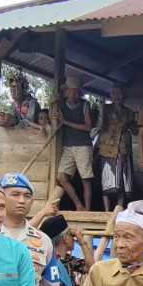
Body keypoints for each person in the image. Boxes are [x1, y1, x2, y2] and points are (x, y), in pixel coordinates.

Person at [53, 76, 94, 211]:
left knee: (85, 179)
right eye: (70, 91)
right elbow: (54, 119)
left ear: (80, 93)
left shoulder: (84, 105)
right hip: (68, 145)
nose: (73, 94)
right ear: (66, 91)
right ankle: (79, 205)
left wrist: (66, 122)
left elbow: (88, 127)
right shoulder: (61, 104)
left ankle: (87, 210)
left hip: (83, 145)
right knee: (61, 177)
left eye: (76, 91)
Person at [96, 84, 136, 211]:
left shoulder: (129, 113)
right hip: (107, 149)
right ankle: (107, 211)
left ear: (124, 95)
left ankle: (119, 208)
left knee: (122, 181)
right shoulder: (105, 109)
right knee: (106, 179)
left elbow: (135, 130)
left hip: (123, 148)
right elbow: (100, 126)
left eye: (119, 93)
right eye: (114, 93)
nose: (116, 96)